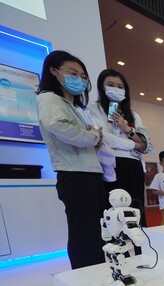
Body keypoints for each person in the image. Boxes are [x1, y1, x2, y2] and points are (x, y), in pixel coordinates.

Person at [36, 50, 106, 270]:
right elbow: (57, 126)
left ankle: (99, 270)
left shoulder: (75, 107)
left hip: (90, 173)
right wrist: (93, 137)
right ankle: (86, 277)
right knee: (83, 232)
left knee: (95, 230)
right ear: (54, 72)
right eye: (72, 73)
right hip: (75, 174)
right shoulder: (49, 98)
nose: (80, 79)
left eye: (83, 76)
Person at [89, 68, 152, 228]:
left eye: (120, 86)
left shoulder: (133, 115)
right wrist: (133, 144)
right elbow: (104, 137)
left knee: (136, 210)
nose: (116, 89)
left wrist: (127, 129)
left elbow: (145, 146)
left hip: (134, 166)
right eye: (110, 84)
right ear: (102, 87)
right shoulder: (94, 108)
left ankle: (139, 247)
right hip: (111, 165)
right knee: (114, 212)